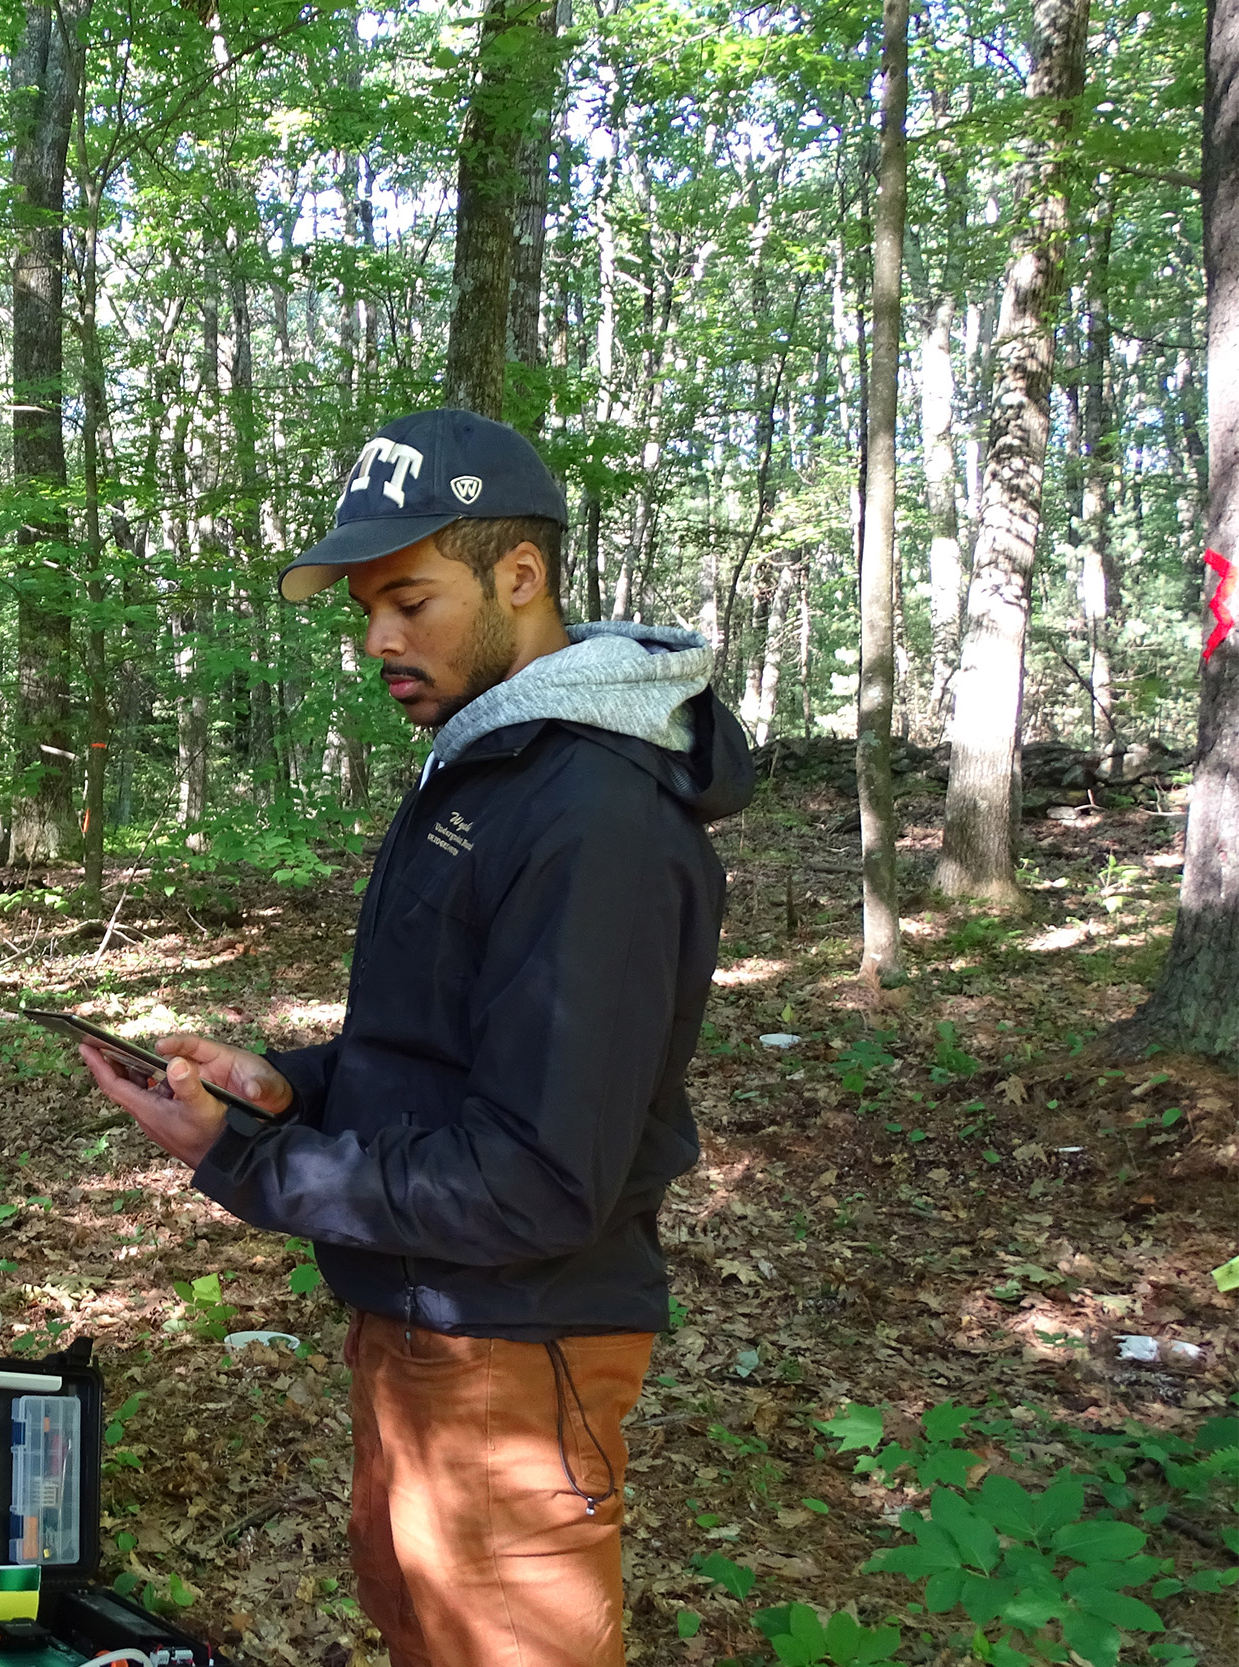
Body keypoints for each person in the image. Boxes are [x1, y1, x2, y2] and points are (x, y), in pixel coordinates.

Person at [73, 409, 752, 1667]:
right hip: (423, 1319)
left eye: (408, 600)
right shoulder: (488, 771)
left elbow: (542, 1176)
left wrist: (244, 1163)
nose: (379, 637)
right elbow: (443, 1047)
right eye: (364, 609)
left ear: (520, 576)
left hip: (517, 1350)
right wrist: (286, 1087)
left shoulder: (591, 814)